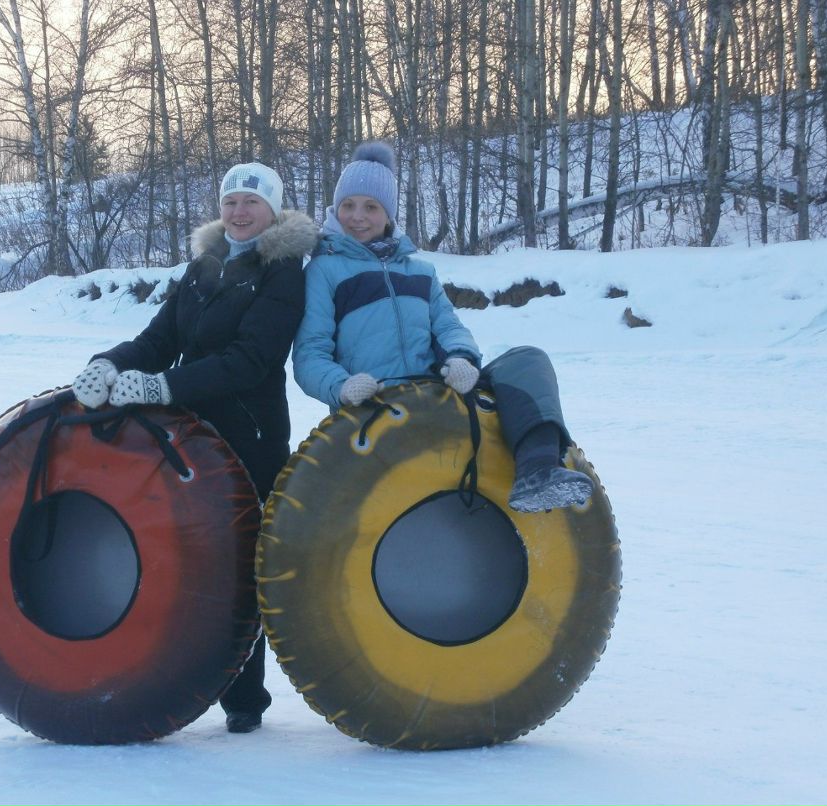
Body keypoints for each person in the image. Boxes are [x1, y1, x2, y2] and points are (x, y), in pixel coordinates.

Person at [71, 162, 319, 733]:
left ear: (272, 212)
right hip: (185, 436)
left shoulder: (283, 272)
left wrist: (166, 387)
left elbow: (252, 359)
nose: (238, 212)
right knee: (179, 559)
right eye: (231, 201)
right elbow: (159, 339)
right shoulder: (202, 267)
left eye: (251, 204)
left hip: (247, 436)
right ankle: (166, 679)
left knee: (239, 565)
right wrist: (107, 363)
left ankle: (243, 700)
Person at [292, 142, 593, 513]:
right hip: (376, 405)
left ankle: (538, 470)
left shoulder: (420, 271)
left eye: (371, 207)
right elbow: (309, 355)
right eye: (348, 205)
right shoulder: (324, 271)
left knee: (528, 361)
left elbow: (449, 326)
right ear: (335, 210)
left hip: (436, 396)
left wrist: (461, 357)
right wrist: (341, 387)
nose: (358, 216)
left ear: (388, 215)